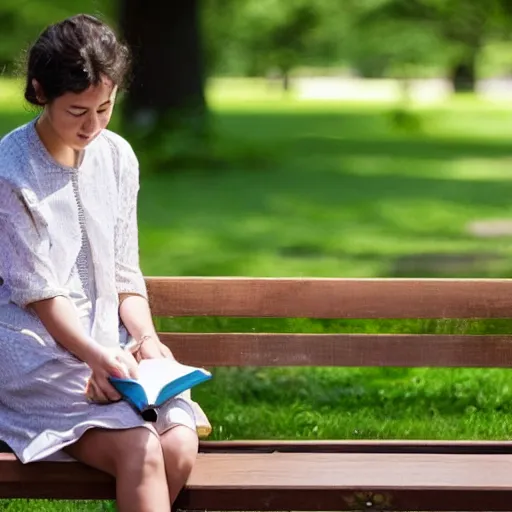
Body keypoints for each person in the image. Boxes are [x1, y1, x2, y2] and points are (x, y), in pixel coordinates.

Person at [0, 14, 211, 512]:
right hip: (38, 353)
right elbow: (40, 293)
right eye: (77, 110)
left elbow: (124, 274)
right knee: (141, 448)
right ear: (39, 92)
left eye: (105, 107)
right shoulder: (10, 169)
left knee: (177, 444)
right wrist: (95, 357)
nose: (92, 126)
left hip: (114, 349)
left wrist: (146, 341)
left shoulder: (117, 157)